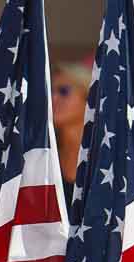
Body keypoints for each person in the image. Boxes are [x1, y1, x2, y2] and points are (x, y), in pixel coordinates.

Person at [52, 62, 94, 212]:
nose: (53, 98)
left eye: (63, 91)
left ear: (88, 98)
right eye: (50, 91)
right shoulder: (43, 154)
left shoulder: (107, 155)